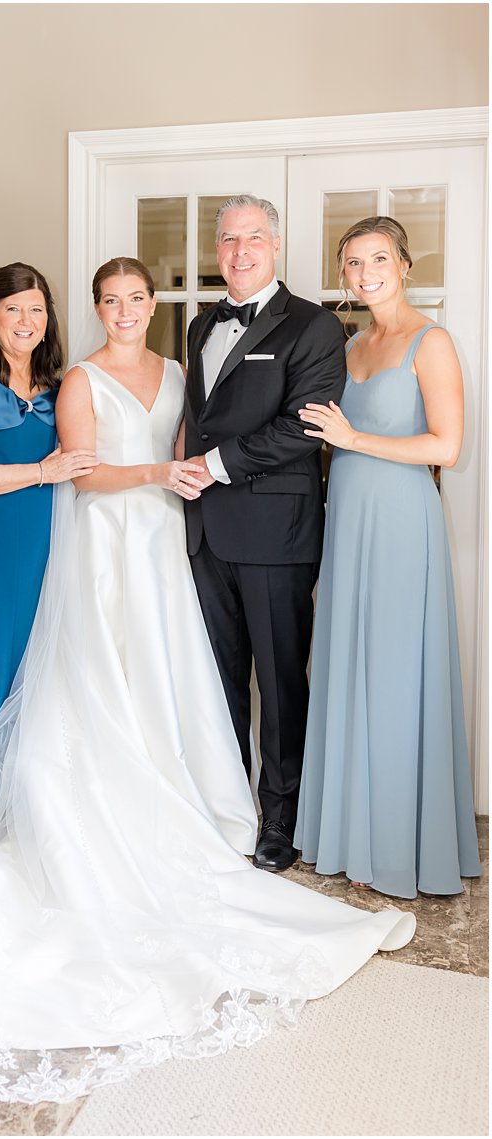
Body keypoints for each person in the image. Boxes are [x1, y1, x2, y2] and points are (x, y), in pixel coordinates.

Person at [0, 256, 413, 1106]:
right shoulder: (59, 380)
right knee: (78, 679)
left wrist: (190, 483)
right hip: (98, 541)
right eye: (112, 299)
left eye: (138, 299)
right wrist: (155, 477)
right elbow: (80, 467)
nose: (127, 309)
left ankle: (192, 803)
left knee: (167, 682)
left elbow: (193, 446)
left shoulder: (177, 367)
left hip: (166, 547)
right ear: (92, 309)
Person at [294, 216, 481, 898]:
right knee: (346, 662)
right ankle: (347, 833)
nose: (365, 271)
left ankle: (402, 842)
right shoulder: (348, 346)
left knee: (398, 669)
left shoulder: (432, 342)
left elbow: (446, 448)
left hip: (402, 520)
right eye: (352, 262)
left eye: (377, 258)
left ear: (403, 264)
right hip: (346, 517)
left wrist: (354, 437)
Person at [181, 194, 347, 873]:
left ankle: (281, 819)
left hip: (277, 533)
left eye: (252, 238)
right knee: (215, 682)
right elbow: (201, 416)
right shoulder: (196, 327)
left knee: (280, 684)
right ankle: (227, 808)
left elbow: (304, 424)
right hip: (203, 534)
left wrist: (214, 464)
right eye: (228, 239)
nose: (239, 251)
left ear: (275, 245)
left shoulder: (313, 325)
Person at [0, 264, 96, 851]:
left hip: (40, 539)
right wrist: (40, 472)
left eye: (35, 309)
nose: (25, 321)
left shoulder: (56, 385)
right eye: (12, 309)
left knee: (33, 671)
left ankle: (19, 806)